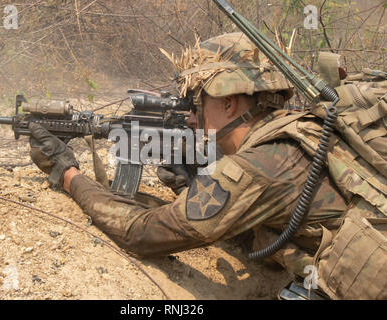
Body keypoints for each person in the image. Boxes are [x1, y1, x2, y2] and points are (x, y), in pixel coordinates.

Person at [28, 33, 386, 300]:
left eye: (196, 103)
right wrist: (192, 188)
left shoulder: (258, 167)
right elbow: (268, 235)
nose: (191, 116)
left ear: (229, 104)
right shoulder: (305, 129)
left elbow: (141, 233)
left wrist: (68, 172)